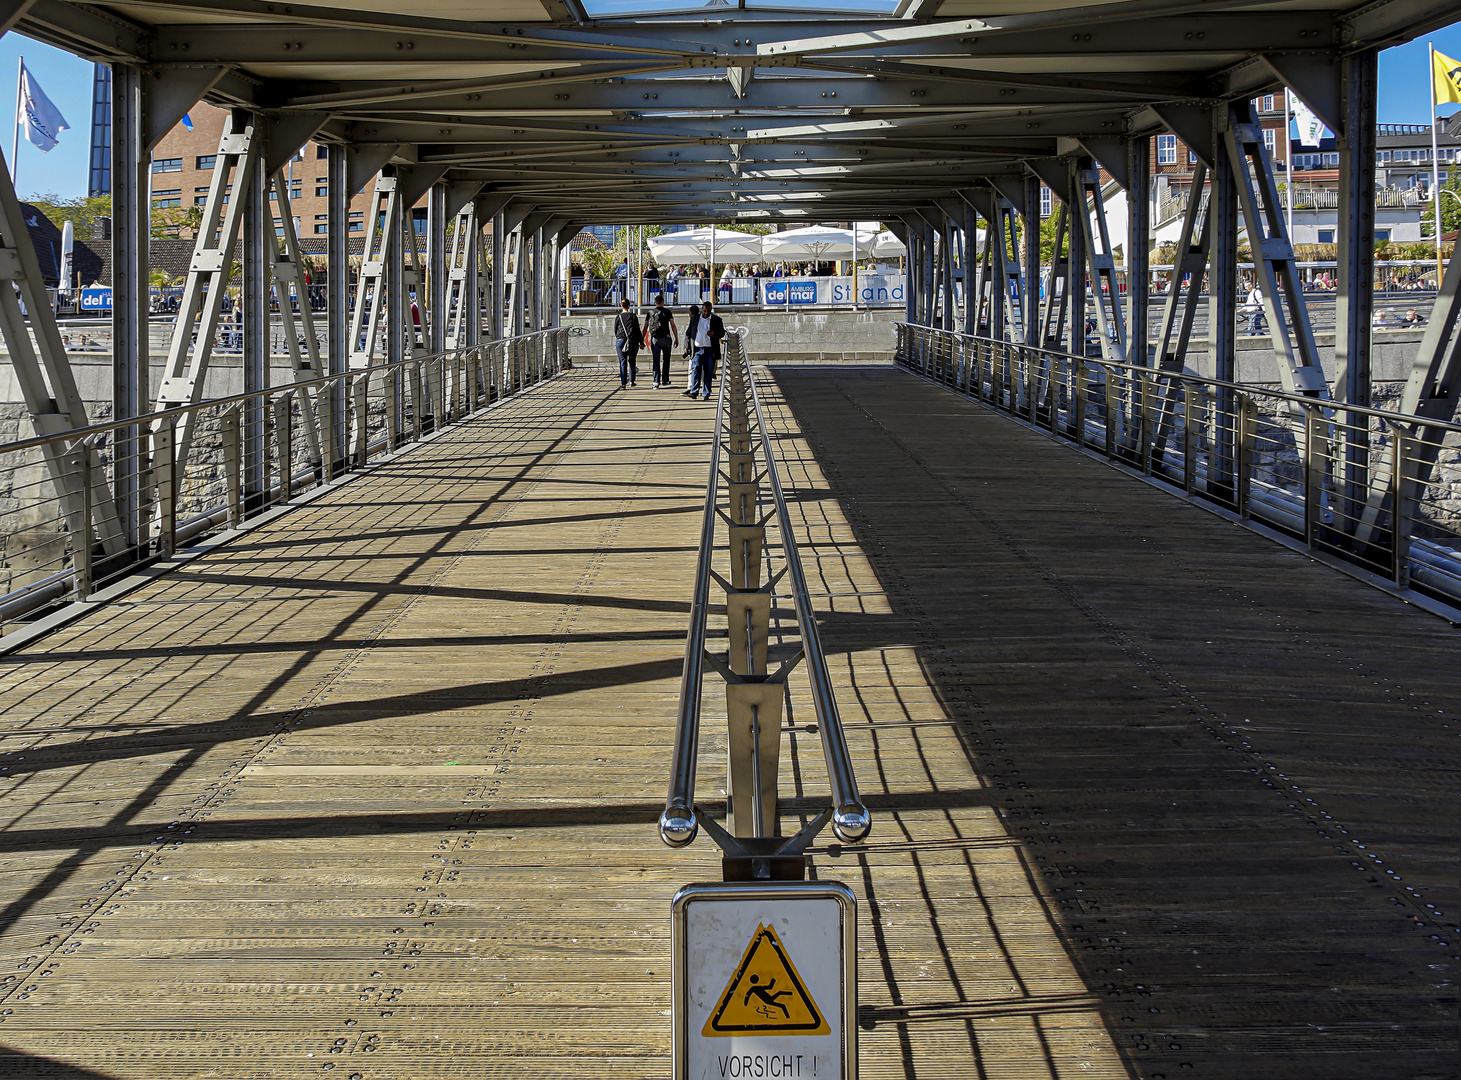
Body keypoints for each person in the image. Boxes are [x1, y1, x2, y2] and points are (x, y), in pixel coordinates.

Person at [682, 300, 725, 401]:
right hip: (697, 348)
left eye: (708, 311)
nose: (706, 313)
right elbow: (688, 333)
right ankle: (694, 391)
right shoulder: (695, 319)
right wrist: (686, 346)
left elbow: (722, 333)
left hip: (710, 350)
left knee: (708, 372)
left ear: (710, 310)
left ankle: (706, 392)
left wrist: (714, 333)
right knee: (695, 369)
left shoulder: (717, 320)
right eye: (704, 311)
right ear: (702, 310)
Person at [644, 294, 678, 388]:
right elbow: (673, 325)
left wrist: (642, 340)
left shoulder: (650, 312)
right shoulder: (667, 311)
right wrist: (676, 338)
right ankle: (665, 380)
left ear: (655, 302)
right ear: (662, 302)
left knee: (656, 360)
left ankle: (655, 382)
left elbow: (645, 327)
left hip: (655, 339)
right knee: (666, 360)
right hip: (666, 338)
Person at [613, 298, 642, 389]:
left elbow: (615, 330)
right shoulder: (633, 316)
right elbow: (637, 330)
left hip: (621, 341)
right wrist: (641, 342)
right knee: (632, 361)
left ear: (622, 305)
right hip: (632, 341)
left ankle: (623, 384)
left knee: (622, 362)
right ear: (629, 305)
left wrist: (620, 338)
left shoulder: (618, 317)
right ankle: (632, 381)